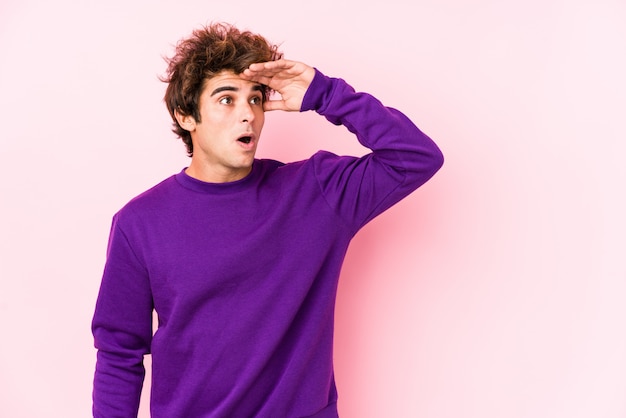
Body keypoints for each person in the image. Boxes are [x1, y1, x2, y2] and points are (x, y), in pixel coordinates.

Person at [91, 22, 444, 418]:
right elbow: (119, 351)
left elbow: (415, 157)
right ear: (186, 116)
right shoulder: (139, 223)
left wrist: (326, 94)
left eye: (256, 99)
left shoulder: (316, 192)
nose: (248, 114)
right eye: (227, 99)